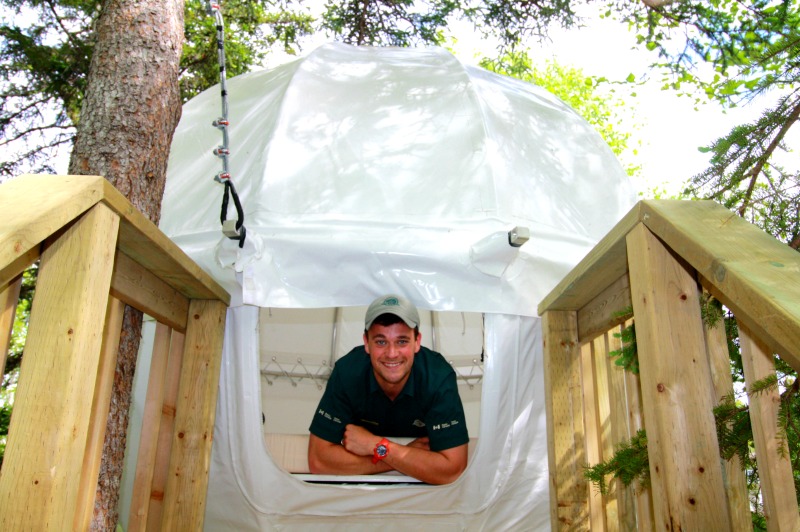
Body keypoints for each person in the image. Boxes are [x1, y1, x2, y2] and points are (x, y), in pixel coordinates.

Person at [307, 294, 469, 484]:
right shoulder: (347, 372)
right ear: (366, 343)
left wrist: (375, 446)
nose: (392, 354)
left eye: (402, 341)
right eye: (381, 341)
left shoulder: (438, 376)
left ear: (417, 342)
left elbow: (453, 470)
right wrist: (396, 456)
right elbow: (318, 461)